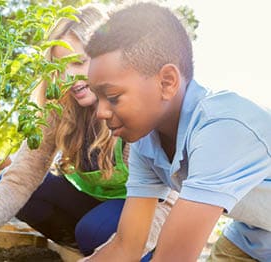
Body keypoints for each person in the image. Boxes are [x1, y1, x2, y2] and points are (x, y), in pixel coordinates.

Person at [0, 4, 175, 261]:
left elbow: (167, 202)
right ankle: (81, 251)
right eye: (59, 67)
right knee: (27, 192)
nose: (69, 77)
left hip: (142, 210)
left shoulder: (136, 108)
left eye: (79, 62)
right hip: (92, 205)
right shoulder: (60, 108)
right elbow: (20, 178)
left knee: (94, 229)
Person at [83, 2, 271, 261]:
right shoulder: (146, 143)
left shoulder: (223, 129)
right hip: (253, 238)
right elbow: (126, 247)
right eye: (98, 97)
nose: (100, 112)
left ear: (167, 82)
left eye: (113, 96)